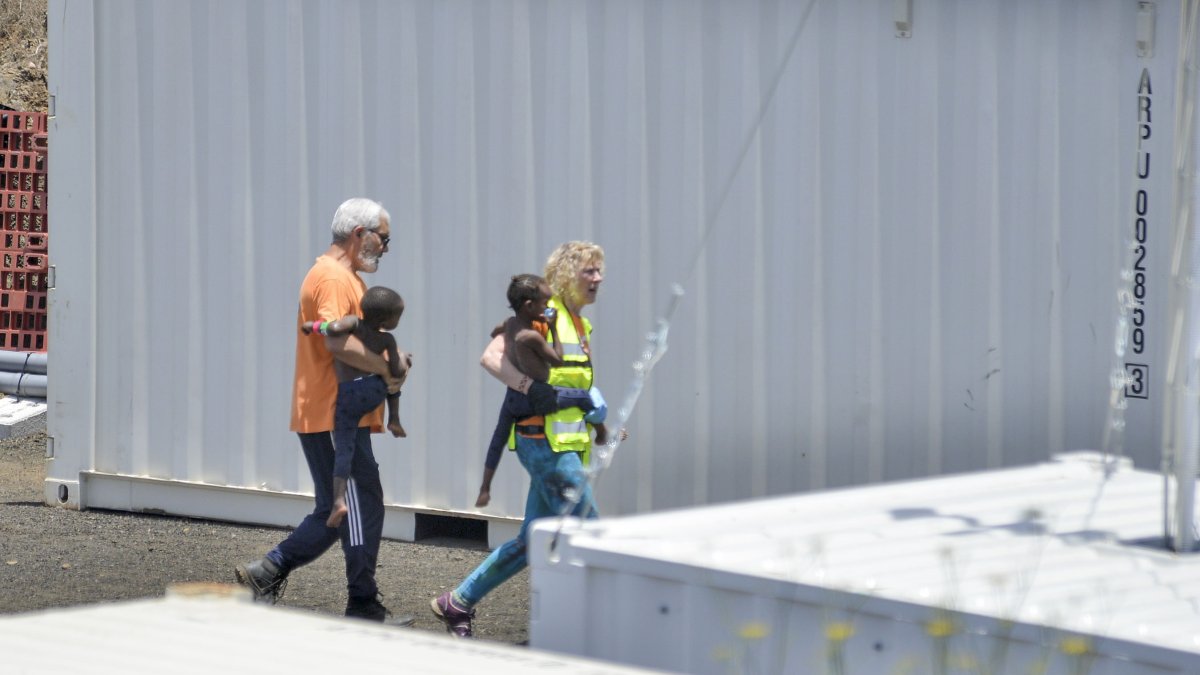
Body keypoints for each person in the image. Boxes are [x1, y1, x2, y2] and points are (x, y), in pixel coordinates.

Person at [235, 197, 410, 624]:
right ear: (359, 235)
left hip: (331, 412)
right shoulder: (332, 278)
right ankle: (362, 605)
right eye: (383, 238)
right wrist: (389, 369)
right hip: (334, 414)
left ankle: (269, 570)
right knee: (358, 507)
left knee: (336, 511)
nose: (386, 248)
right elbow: (336, 342)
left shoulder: (344, 277)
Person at [432, 241, 608, 638]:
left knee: (532, 541)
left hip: (565, 445)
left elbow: (570, 382)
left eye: (599, 270)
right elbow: (492, 356)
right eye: (589, 271)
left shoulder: (581, 325)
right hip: (544, 444)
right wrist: (527, 385)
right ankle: (606, 629)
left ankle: (457, 602)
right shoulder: (545, 316)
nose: (598, 278)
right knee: (591, 531)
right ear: (565, 276)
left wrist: (594, 412)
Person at [474, 274, 600, 508]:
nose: (548, 308)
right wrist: (553, 329)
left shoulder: (512, 324)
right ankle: (603, 433)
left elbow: (496, 331)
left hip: (514, 395)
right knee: (584, 399)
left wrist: (500, 335)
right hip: (537, 394)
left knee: (498, 437)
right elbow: (558, 360)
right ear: (529, 306)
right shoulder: (531, 336)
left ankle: (485, 488)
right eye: (544, 303)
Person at [301, 285, 410, 528]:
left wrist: (315, 326)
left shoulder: (353, 323)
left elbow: (336, 328)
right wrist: (401, 360)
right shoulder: (387, 338)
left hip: (350, 393)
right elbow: (395, 371)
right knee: (392, 384)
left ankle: (339, 500)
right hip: (374, 392)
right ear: (387, 320)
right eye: (397, 317)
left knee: (344, 448)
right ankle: (394, 418)